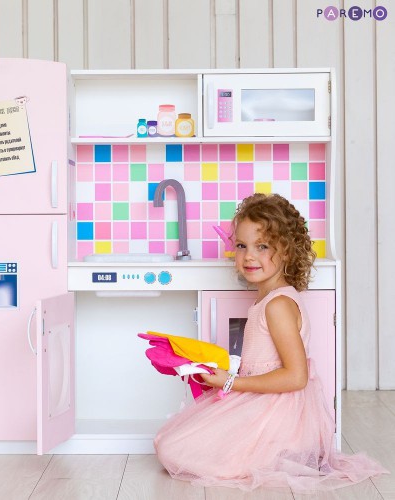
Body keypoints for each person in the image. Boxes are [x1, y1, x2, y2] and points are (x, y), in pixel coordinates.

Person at [154, 193, 388, 492]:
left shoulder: (278, 305)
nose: (249, 256)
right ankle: (267, 453)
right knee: (169, 441)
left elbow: (296, 376)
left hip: (277, 411)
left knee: (173, 449)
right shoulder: (269, 298)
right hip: (261, 401)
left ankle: (277, 453)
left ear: (287, 251)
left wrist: (230, 382)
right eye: (242, 246)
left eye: (262, 246)